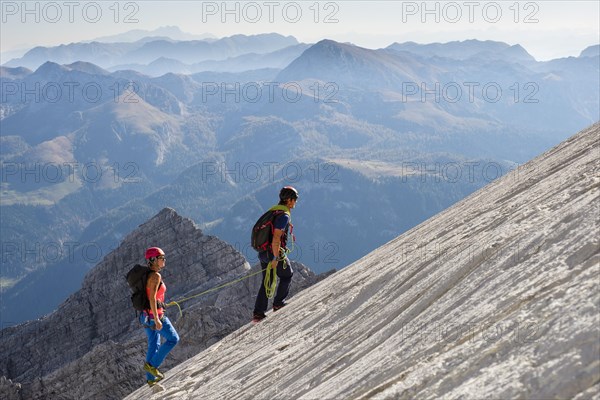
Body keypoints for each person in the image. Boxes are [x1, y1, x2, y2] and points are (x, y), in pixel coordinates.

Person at [252, 186, 299, 323]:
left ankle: (258, 313)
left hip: (263, 252)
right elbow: (276, 238)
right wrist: (275, 257)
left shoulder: (274, 211)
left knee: (268, 280)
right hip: (273, 252)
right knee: (287, 275)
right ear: (289, 200)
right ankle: (278, 303)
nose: (295, 202)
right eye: (294, 199)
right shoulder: (283, 216)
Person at [140, 247, 180, 387]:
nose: (164, 260)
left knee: (154, 344)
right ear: (153, 260)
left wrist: (161, 304)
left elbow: (152, 297)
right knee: (173, 339)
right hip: (153, 316)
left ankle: (151, 379)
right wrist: (157, 318)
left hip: (145, 315)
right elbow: (151, 298)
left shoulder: (148, 275)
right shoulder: (155, 276)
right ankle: (152, 366)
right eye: (161, 258)